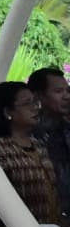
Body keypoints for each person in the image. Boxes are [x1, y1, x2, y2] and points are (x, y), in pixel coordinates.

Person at [0, 79, 63, 227]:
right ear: (8, 112)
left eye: (35, 102)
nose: (35, 108)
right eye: (27, 103)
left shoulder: (39, 144)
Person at [30, 65, 70, 208]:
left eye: (68, 90)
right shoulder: (29, 134)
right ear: (38, 96)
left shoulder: (65, 127)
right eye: (58, 91)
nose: (67, 96)